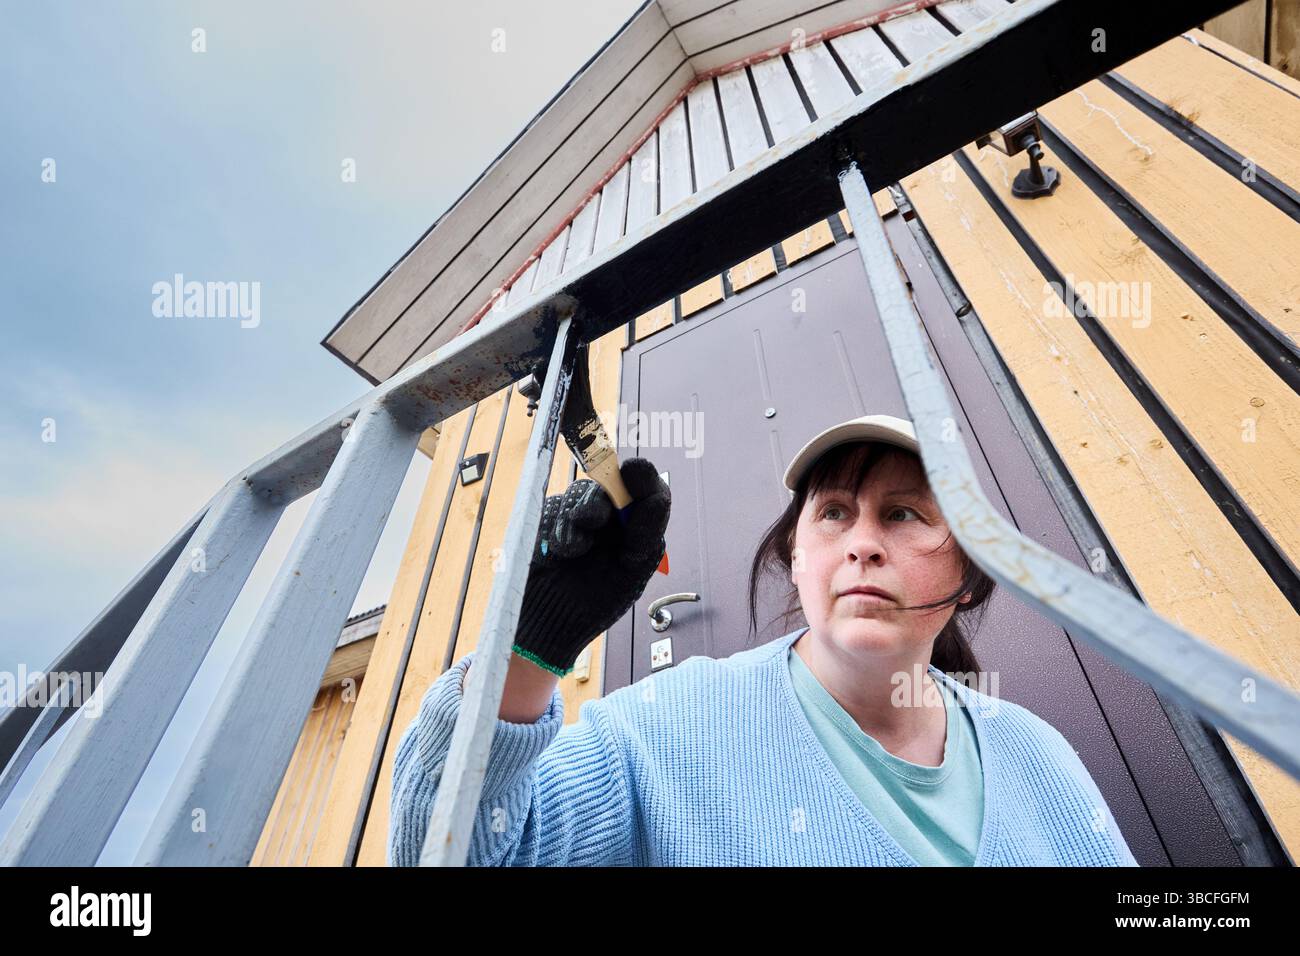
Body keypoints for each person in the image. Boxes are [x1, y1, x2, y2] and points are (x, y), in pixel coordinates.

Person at [388, 414, 1138, 866]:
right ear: (797, 558)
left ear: (970, 576)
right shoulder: (674, 727)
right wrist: (528, 651)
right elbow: (455, 850)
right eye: (835, 513)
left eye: (905, 514)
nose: (864, 545)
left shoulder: (1037, 755)